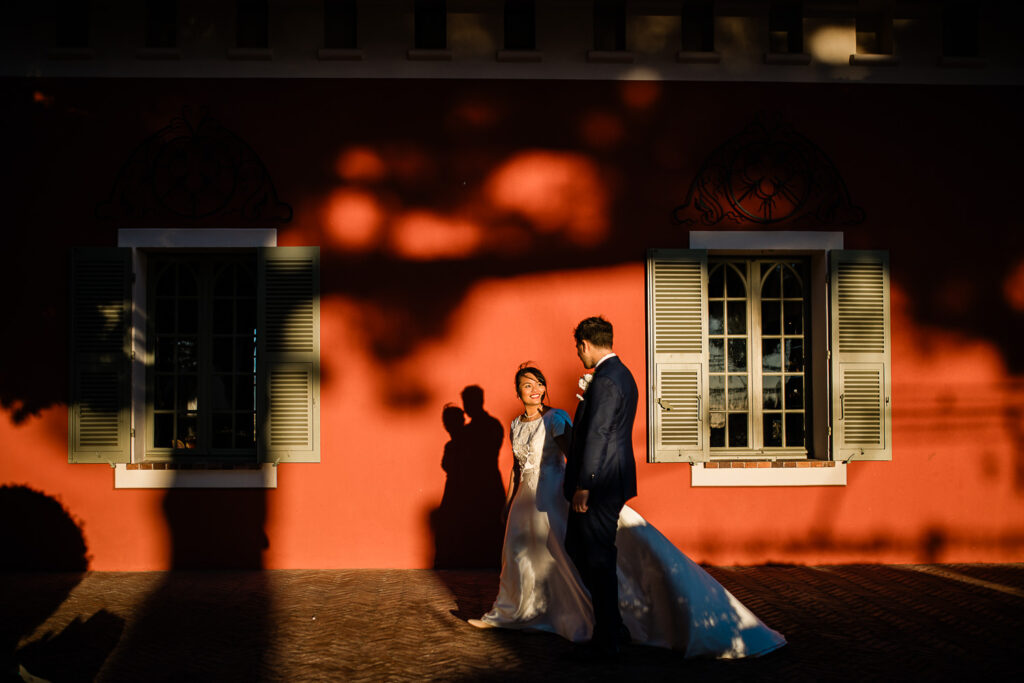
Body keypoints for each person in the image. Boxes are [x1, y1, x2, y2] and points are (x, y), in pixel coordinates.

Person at [468, 355, 786, 660]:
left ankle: (574, 616)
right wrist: (507, 502)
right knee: (519, 556)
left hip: (552, 494)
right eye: (527, 385)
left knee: (560, 555)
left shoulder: (556, 418)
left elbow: (574, 456)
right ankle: (511, 612)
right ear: (517, 392)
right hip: (523, 498)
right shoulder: (513, 424)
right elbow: (514, 467)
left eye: (538, 383)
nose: (534, 389)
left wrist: (584, 490)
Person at [563, 316, 637, 657]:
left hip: (601, 483)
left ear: (585, 344)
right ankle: (613, 626)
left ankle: (608, 638)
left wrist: (585, 485)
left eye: (579, 349)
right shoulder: (621, 374)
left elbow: (600, 434)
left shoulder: (606, 380)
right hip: (611, 480)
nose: (580, 356)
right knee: (584, 550)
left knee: (596, 558)